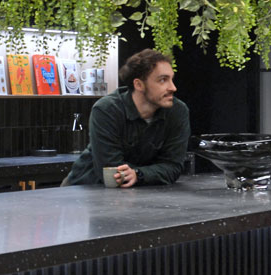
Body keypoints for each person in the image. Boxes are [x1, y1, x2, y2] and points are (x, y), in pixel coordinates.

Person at [62, 49, 190, 188]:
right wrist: (146, 173)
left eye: (171, 79)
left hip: (138, 194)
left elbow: (173, 167)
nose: (173, 87)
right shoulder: (107, 109)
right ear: (139, 84)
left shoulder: (177, 111)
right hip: (83, 191)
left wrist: (138, 174)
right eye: (163, 80)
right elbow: (111, 170)